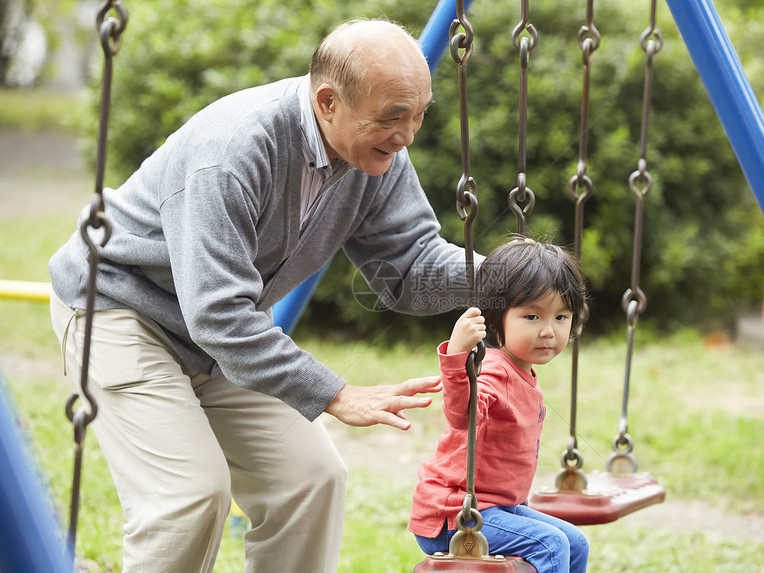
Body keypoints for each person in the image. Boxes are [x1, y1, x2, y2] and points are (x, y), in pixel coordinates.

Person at [49, 19, 475, 573]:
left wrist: (506, 276)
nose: (408, 135)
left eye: (419, 115)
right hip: (120, 306)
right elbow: (219, 314)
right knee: (189, 496)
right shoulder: (234, 149)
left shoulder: (374, 156)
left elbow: (410, 267)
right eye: (394, 117)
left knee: (311, 480)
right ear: (328, 102)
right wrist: (335, 393)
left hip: (217, 329)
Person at [409, 239, 590, 573]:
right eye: (532, 316)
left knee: (575, 542)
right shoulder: (493, 369)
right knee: (552, 545)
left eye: (561, 317)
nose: (549, 331)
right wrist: (457, 357)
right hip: (456, 517)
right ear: (495, 322)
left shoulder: (521, 370)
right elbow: (463, 417)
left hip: (498, 509)